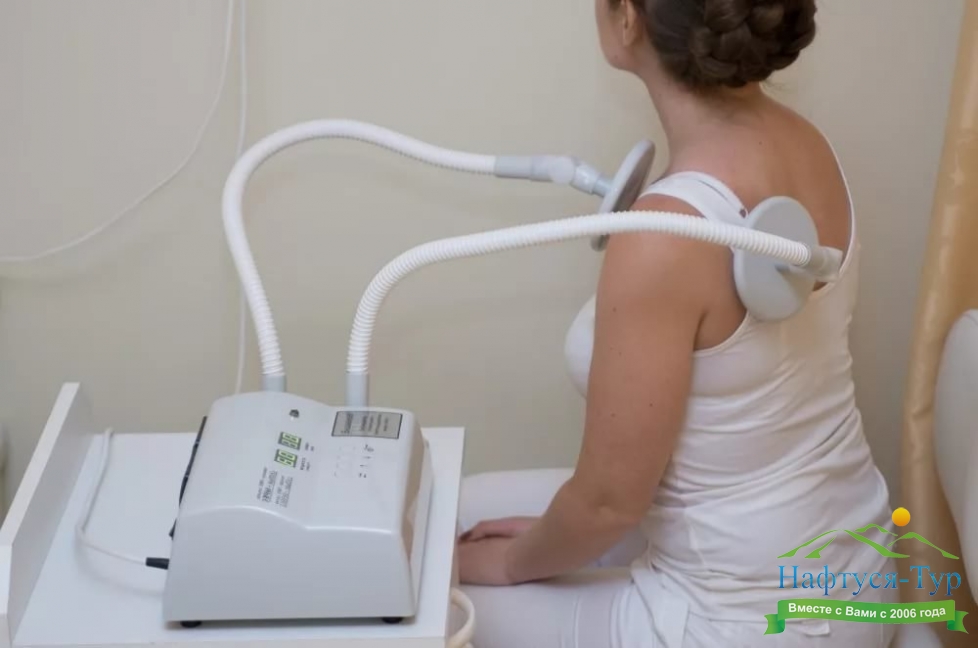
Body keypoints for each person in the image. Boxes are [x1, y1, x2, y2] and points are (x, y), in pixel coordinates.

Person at [455, 1, 898, 646]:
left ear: (628, 19)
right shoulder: (809, 144)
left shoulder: (665, 235)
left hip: (751, 623)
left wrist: (504, 566)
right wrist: (556, 533)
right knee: (460, 506)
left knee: (433, 600)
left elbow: (608, 504)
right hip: (859, 575)